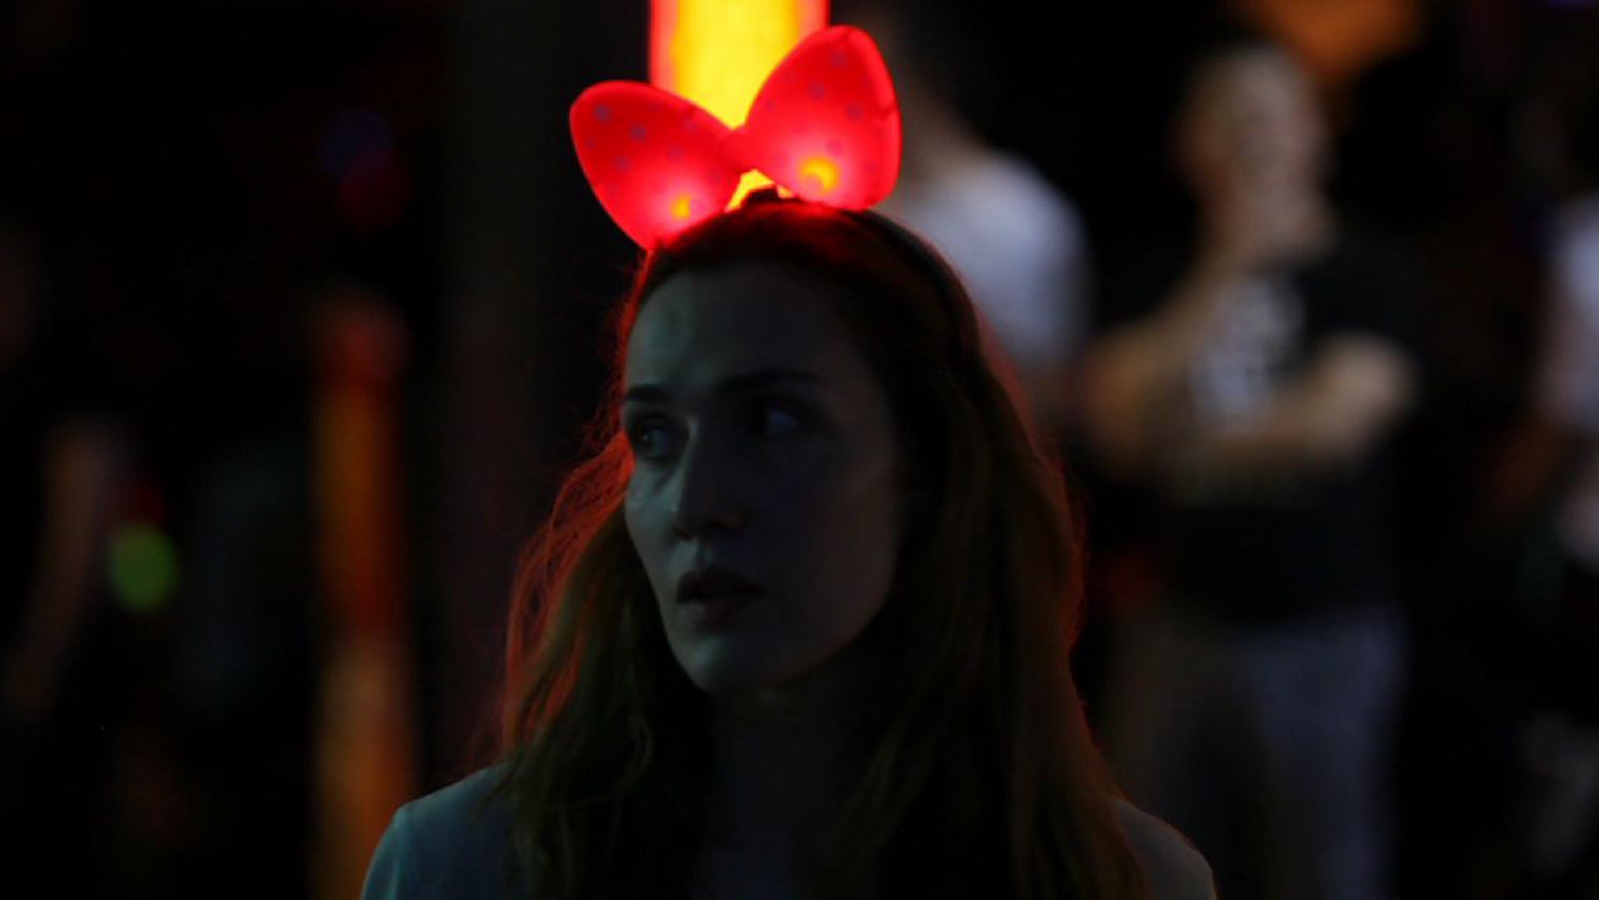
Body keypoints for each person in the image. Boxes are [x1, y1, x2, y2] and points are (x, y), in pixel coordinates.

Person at [361, 195, 1214, 898]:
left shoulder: (1119, 880)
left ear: (925, 467)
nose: (695, 502)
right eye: (654, 436)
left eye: (772, 420)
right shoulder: (463, 867)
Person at [1082, 38, 1420, 900]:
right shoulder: (1157, 275)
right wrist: (1227, 265)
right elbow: (1113, 419)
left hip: (1323, 629)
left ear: (1317, 131)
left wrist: (1171, 442)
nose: (1253, 141)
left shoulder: (1367, 271)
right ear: (1186, 144)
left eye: (1272, 116)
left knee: (1323, 871)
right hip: (1177, 621)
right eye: (1229, 121)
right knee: (1148, 868)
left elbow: (1331, 424)